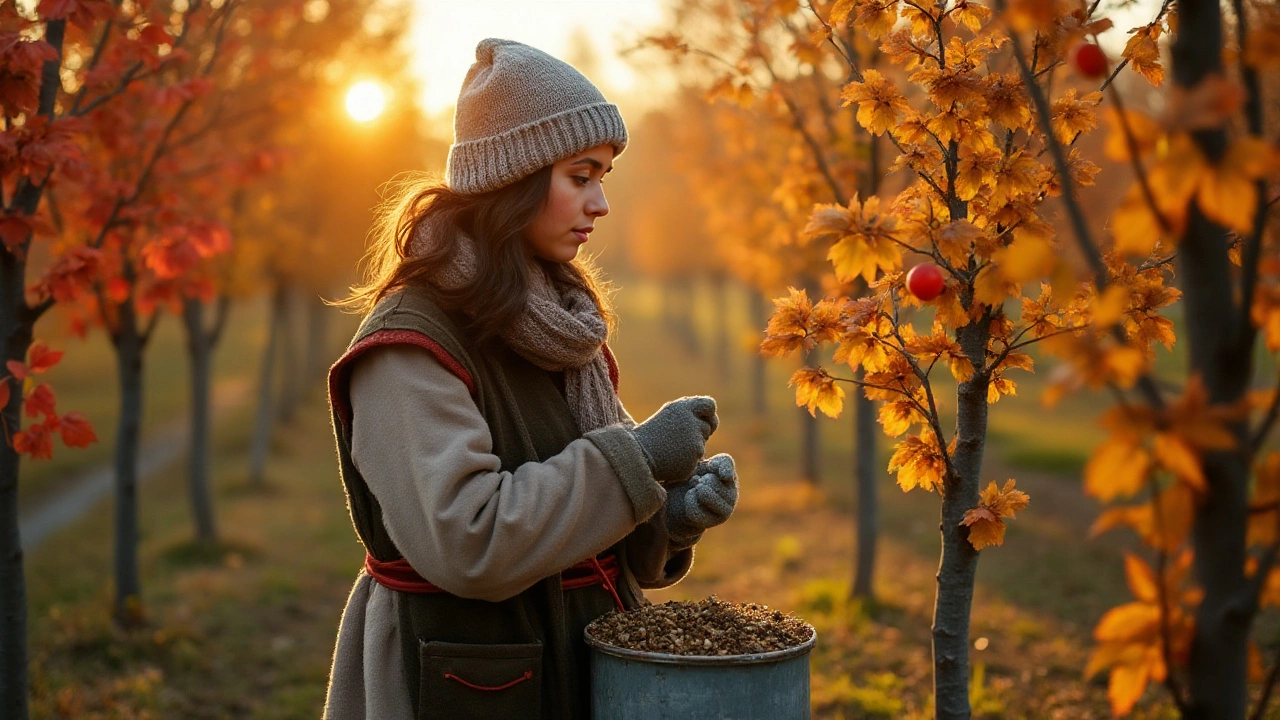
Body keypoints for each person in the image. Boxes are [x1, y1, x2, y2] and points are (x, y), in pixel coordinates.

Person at [322, 38, 741, 719]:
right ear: (512, 180)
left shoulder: (557, 328)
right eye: (582, 176)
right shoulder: (411, 345)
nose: (601, 203)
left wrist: (669, 519)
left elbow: (583, 521)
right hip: (458, 678)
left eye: (602, 176)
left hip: (570, 659)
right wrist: (636, 459)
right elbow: (469, 541)